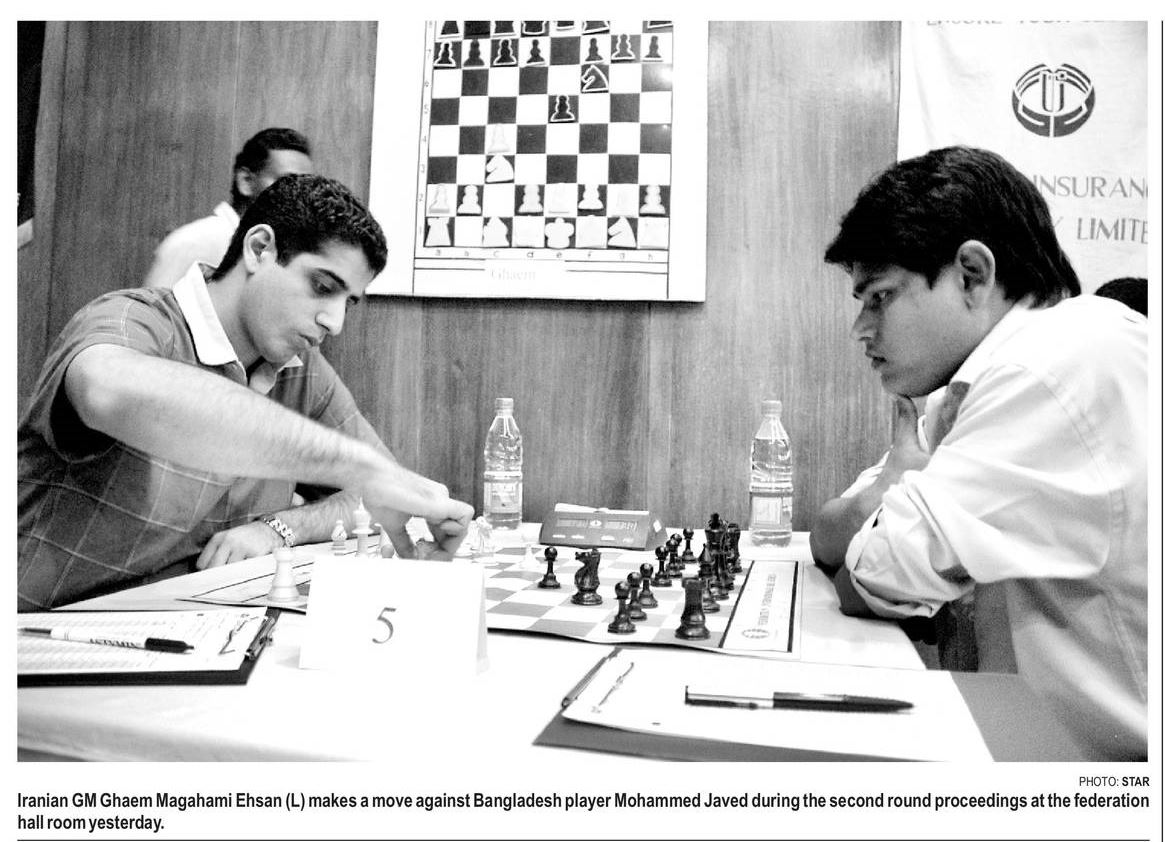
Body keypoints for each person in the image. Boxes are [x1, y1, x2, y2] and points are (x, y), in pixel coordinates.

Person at [809, 146, 1147, 760]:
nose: (861, 329)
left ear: (971, 274)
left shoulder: (1058, 361)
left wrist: (883, 507)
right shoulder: (969, 389)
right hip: (1037, 751)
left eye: (879, 296)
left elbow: (873, 570)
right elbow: (828, 536)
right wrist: (883, 498)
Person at [19, 174, 472, 611]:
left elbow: (379, 491)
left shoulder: (300, 367)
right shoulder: (132, 321)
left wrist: (279, 528)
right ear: (259, 249)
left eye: (348, 302)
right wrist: (352, 463)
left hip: (188, 626)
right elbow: (107, 392)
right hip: (39, 631)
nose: (334, 323)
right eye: (322, 287)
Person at [142, 127, 314, 288]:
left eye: (307, 185)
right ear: (246, 181)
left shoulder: (278, 251)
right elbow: (151, 309)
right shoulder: (194, 242)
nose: (300, 193)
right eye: (288, 181)